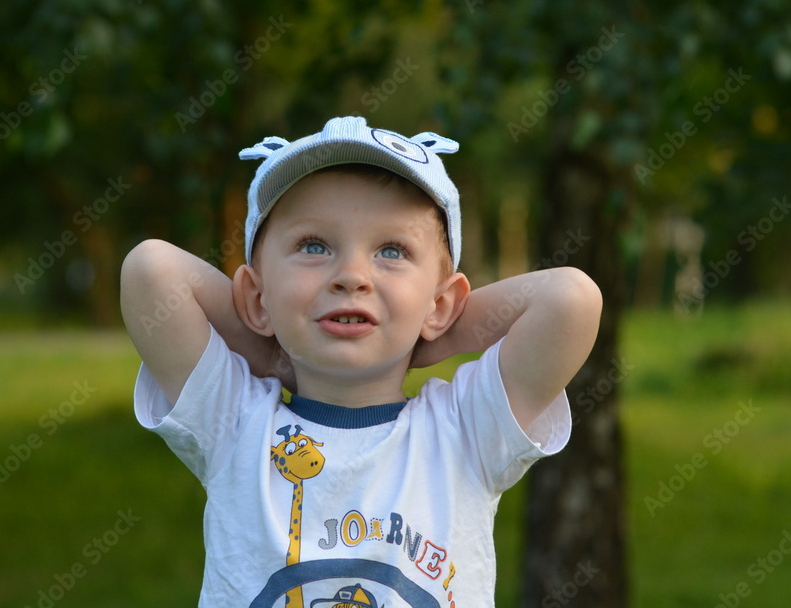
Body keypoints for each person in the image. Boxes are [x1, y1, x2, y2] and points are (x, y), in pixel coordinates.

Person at [120, 116, 601, 607]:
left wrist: (429, 334)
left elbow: (571, 300)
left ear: (440, 303)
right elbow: (151, 270)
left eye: (391, 250)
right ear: (257, 298)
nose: (351, 276)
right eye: (314, 245)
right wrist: (273, 353)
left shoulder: (464, 431)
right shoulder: (235, 423)